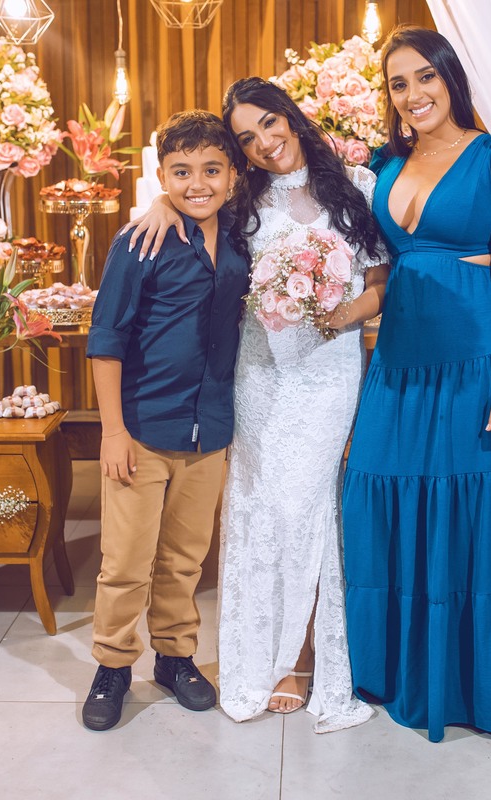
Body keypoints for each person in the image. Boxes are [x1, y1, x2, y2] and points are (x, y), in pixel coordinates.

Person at [126, 77, 387, 732]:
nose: (264, 142)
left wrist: (342, 314)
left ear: (290, 118)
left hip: (327, 370)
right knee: (260, 506)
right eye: (246, 137)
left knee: (307, 505)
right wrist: (158, 201)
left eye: (269, 123)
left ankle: (302, 655)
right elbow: (192, 200)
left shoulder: (356, 185)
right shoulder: (241, 201)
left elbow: (381, 280)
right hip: (259, 371)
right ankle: (263, 654)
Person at [341, 25, 491, 742]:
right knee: (379, 500)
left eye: (425, 76)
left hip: (474, 364)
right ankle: (395, 669)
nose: (413, 94)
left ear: (451, 77)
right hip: (397, 364)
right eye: (398, 83)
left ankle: (463, 683)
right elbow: (379, 263)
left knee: (465, 518)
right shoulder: (386, 163)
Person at [81, 110, 249, 731]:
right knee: (126, 561)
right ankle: (112, 665)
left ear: (232, 175)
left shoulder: (243, 237)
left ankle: (175, 658)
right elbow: (106, 340)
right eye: (181, 172)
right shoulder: (140, 243)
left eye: (211, 169)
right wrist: (113, 432)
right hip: (143, 430)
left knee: (184, 559)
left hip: (210, 429)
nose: (197, 183)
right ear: (162, 177)